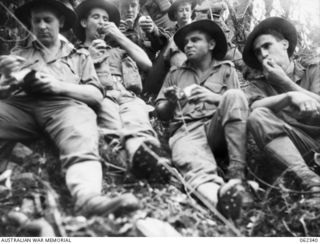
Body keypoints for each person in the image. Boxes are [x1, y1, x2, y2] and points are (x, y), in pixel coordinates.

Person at [0, 0, 139, 217]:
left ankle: (86, 197)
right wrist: (6, 76)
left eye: (48, 20)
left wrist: (58, 86)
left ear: (61, 22)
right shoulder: (19, 52)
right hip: (22, 106)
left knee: (81, 127)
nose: (42, 26)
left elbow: (95, 94)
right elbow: (3, 93)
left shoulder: (79, 55)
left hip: (63, 107)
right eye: (37, 21)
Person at [156, 19, 249, 219]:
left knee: (234, 95)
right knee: (193, 164)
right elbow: (161, 112)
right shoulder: (176, 74)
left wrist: (213, 97)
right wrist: (172, 102)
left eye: (195, 40)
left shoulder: (227, 70)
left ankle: (237, 176)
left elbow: (239, 105)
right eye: (185, 42)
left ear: (211, 45)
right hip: (187, 130)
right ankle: (220, 200)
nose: (188, 45)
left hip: (219, 129)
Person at [74, 0, 170, 182]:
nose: (102, 22)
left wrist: (118, 36)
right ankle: (129, 165)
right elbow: (75, 82)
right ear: (84, 23)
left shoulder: (117, 48)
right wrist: (90, 58)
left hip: (126, 94)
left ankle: (148, 157)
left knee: (137, 120)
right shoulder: (76, 52)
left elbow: (147, 64)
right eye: (96, 17)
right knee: (113, 127)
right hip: (101, 95)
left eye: (105, 18)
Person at [243, 17, 320, 194]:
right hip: (296, 149)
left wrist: (286, 83)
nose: (262, 54)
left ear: (284, 44)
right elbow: (253, 108)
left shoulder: (314, 70)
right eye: (257, 52)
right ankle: (310, 180)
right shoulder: (259, 85)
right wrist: (289, 96)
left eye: (267, 46)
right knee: (258, 115)